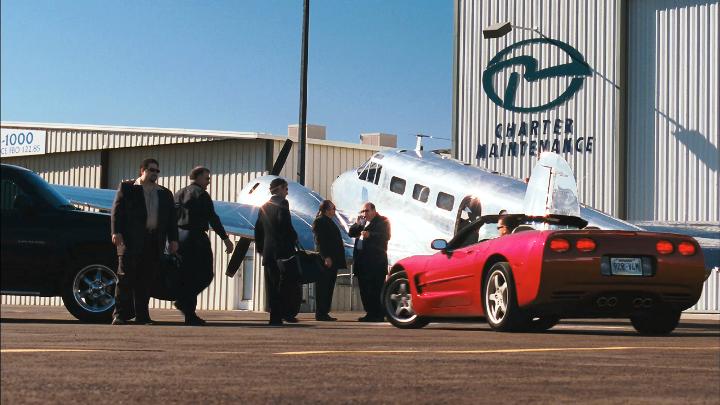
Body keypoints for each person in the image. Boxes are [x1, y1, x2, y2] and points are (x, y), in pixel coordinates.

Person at [110, 158, 178, 325]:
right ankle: (119, 314)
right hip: (130, 240)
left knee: (146, 279)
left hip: (154, 240)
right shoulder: (127, 188)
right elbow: (116, 212)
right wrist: (116, 232)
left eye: (157, 171)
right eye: (151, 170)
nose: (155, 173)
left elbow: (171, 220)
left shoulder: (164, 193)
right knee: (125, 278)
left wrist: (174, 240)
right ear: (142, 170)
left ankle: (142, 316)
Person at [174, 166, 234, 326]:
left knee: (186, 275)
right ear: (198, 178)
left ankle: (187, 309)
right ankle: (186, 307)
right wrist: (225, 238)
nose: (208, 182)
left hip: (179, 237)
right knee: (204, 274)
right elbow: (213, 218)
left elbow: (170, 217)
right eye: (206, 178)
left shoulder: (179, 193)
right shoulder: (201, 194)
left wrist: (171, 239)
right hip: (195, 237)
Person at [254, 177, 300, 326]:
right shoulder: (282, 203)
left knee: (272, 285)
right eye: (286, 189)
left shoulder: (264, 206)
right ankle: (284, 313)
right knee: (286, 283)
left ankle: (274, 317)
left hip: (268, 252)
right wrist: (293, 237)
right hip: (282, 252)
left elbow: (258, 229)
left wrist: (261, 248)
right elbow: (284, 223)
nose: (287, 192)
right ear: (280, 188)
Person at [349, 202, 391, 322]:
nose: (364, 214)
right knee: (364, 290)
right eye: (362, 211)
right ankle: (370, 313)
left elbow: (386, 236)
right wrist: (358, 225)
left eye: (366, 211)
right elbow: (351, 233)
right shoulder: (362, 222)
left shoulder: (383, 221)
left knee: (376, 290)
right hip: (362, 263)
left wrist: (370, 235)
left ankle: (378, 314)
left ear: (373, 210)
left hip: (375, 263)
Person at [311, 200, 346, 322]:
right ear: (326, 210)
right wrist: (326, 256)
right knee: (323, 287)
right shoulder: (320, 221)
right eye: (332, 209)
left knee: (329, 286)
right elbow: (319, 241)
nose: (334, 211)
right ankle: (321, 313)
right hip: (326, 260)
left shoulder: (329, 221)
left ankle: (324, 312)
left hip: (333, 260)